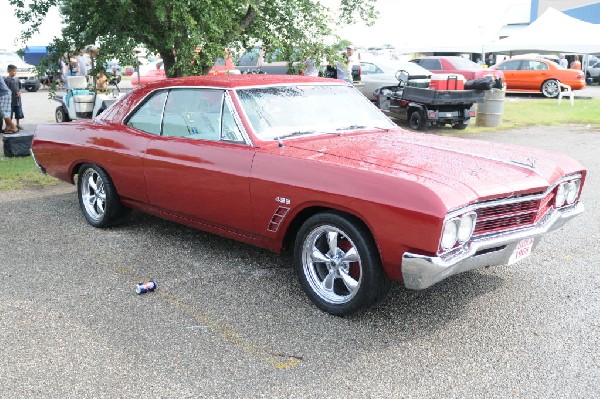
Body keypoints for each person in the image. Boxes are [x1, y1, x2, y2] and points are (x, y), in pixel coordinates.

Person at [4, 64, 24, 131]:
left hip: (17, 100)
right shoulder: (6, 80)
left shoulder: (17, 79)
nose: (14, 72)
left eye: (15, 71)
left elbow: (20, 88)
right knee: (9, 114)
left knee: (18, 113)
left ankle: (17, 124)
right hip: (10, 101)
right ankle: (8, 125)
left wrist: (20, 92)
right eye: (13, 71)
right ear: (9, 71)